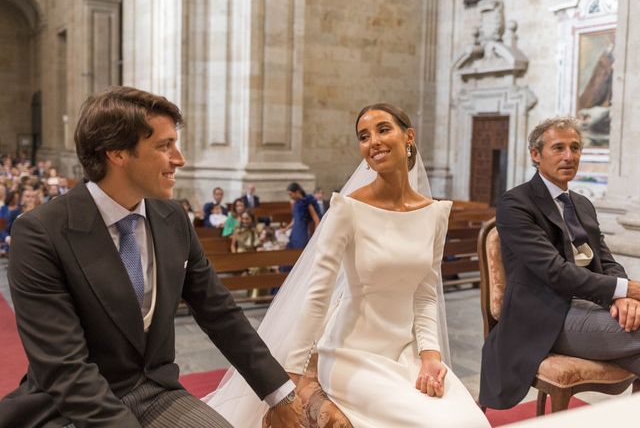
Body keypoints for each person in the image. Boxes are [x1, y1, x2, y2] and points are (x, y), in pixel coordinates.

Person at [0, 86, 301, 428]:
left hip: (156, 392)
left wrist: (280, 393)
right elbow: (64, 367)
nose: (180, 159)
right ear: (117, 153)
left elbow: (221, 313)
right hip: (70, 405)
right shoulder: (41, 232)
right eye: (164, 146)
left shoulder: (172, 219)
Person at [206, 103, 489, 427]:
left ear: (408, 136)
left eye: (384, 129)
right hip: (350, 355)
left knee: (471, 422)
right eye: (364, 136)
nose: (374, 141)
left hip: (406, 352)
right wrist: (293, 376)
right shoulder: (348, 209)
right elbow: (318, 296)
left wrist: (430, 356)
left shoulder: (434, 214)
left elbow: (425, 295)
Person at [479, 117, 640, 410]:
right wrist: (625, 289)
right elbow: (555, 272)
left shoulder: (582, 203)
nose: (569, 156)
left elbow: (604, 258)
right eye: (559, 148)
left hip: (590, 306)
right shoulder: (515, 204)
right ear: (536, 154)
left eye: (575, 147)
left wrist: (625, 297)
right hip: (544, 315)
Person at [282, 182, 320, 250]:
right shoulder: (295, 203)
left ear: (297, 192)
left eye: (291, 194)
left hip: (302, 233)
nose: (290, 196)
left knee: (300, 251)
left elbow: (316, 218)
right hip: (294, 232)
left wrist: (316, 233)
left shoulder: (306, 202)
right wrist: (286, 229)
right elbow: (294, 219)